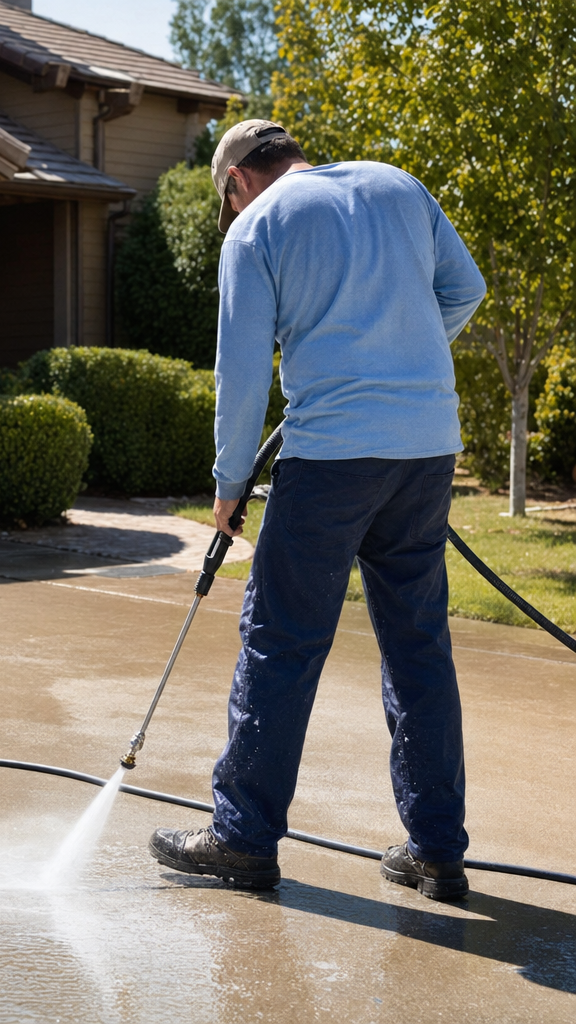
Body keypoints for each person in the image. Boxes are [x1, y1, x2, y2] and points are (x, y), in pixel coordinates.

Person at [149, 119, 487, 902]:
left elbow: (240, 370)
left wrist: (228, 482)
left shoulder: (257, 228)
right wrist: (398, 364)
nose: (233, 214)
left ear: (237, 181)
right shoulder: (398, 185)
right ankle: (437, 852)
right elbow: (465, 289)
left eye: (228, 202)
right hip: (427, 448)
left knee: (282, 643)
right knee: (419, 645)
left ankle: (242, 839)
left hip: (332, 458)